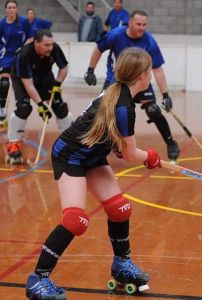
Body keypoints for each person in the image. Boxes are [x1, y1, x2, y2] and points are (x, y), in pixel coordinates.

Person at [25, 47, 161, 299]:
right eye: (150, 70)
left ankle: (122, 264)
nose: (151, 74)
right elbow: (131, 155)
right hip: (71, 157)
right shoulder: (123, 106)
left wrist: (120, 147)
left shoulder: (119, 91)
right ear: (142, 75)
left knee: (120, 209)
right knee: (76, 220)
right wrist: (150, 157)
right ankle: (37, 279)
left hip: (93, 155)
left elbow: (116, 141)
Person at [84, 10, 180, 163]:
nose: (142, 28)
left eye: (144, 25)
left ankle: (171, 143)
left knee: (153, 110)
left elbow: (158, 69)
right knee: (104, 112)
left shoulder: (149, 41)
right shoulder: (115, 35)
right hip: (116, 81)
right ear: (130, 23)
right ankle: (96, 146)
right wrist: (90, 70)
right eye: (138, 24)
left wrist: (166, 95)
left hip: (140, 81)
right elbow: (98, 48)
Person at [6, 29, 73, 164]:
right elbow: (29, 85)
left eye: (51, 44)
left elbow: (64, 68)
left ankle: (71, 145)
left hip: (45, 77)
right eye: (46, 45)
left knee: (60, 107)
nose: (50, 48)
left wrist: (57, 84)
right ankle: (13, 145)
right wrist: (41, 105)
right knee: (24, 108)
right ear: (36, 43)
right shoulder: (24, 55)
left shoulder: (54, 49)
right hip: (22, 80)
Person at [0, 0, 31, 130]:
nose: (12, 10)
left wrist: (23, 49)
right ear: (6, 9)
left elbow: (30, 38)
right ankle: (2, 111)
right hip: (5, 57)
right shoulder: (1, 24)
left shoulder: (23, 22)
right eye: (9, 7)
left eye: (14, 7)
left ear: (17, 9)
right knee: (4, 84)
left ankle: (20, 115)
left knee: (21, 85)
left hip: (20, 56)